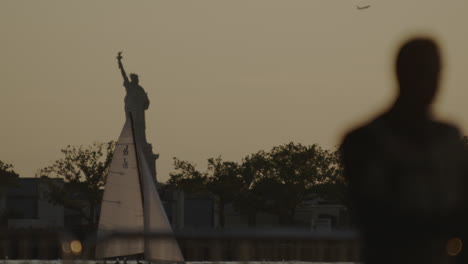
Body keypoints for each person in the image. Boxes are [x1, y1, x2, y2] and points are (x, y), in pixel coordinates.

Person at [341, 38, 468, 264]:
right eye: (422, 71)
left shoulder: (449, 138)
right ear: (401, 73)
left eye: (434, 72)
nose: (430, 81)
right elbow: (376, 219)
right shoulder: (365, 142)